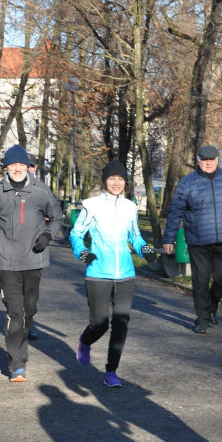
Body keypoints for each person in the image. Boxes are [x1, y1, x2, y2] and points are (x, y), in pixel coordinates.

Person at [0, 144, 62, 382]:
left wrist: (47, 236)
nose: (17, 168)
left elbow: (57, 218)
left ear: (27, 167)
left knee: (29, 310)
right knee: (15, 313)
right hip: (6, 262)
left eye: (21, 165)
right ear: (6, 167)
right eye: (12, 165)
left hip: (34, 260)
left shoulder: (41, 192)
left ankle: (19, 346)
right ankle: (17, 363)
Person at [69, 159, 156, 387]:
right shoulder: (92, 205)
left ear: (125, 182)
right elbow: (76, 234)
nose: (116, 183)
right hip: (98, 271)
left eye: (120, 179)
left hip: (125, 273)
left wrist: (144, 249)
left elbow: (134, 236)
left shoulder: (130, 207)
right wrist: (83, 252)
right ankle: (85, 341)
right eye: (112, 178)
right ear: (105, 180)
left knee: (121, 322)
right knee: (99, 323)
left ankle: (111, 372)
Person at [163, 145, 222, 333]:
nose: (208, 163)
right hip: (197, 241)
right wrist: (168, 238)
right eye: (204, 159)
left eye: (212, 159)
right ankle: (202, 319)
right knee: (200, 281)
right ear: (198, 161)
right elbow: (176, 212)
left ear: (218, 160)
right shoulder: (187, 183)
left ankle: (211, 307)